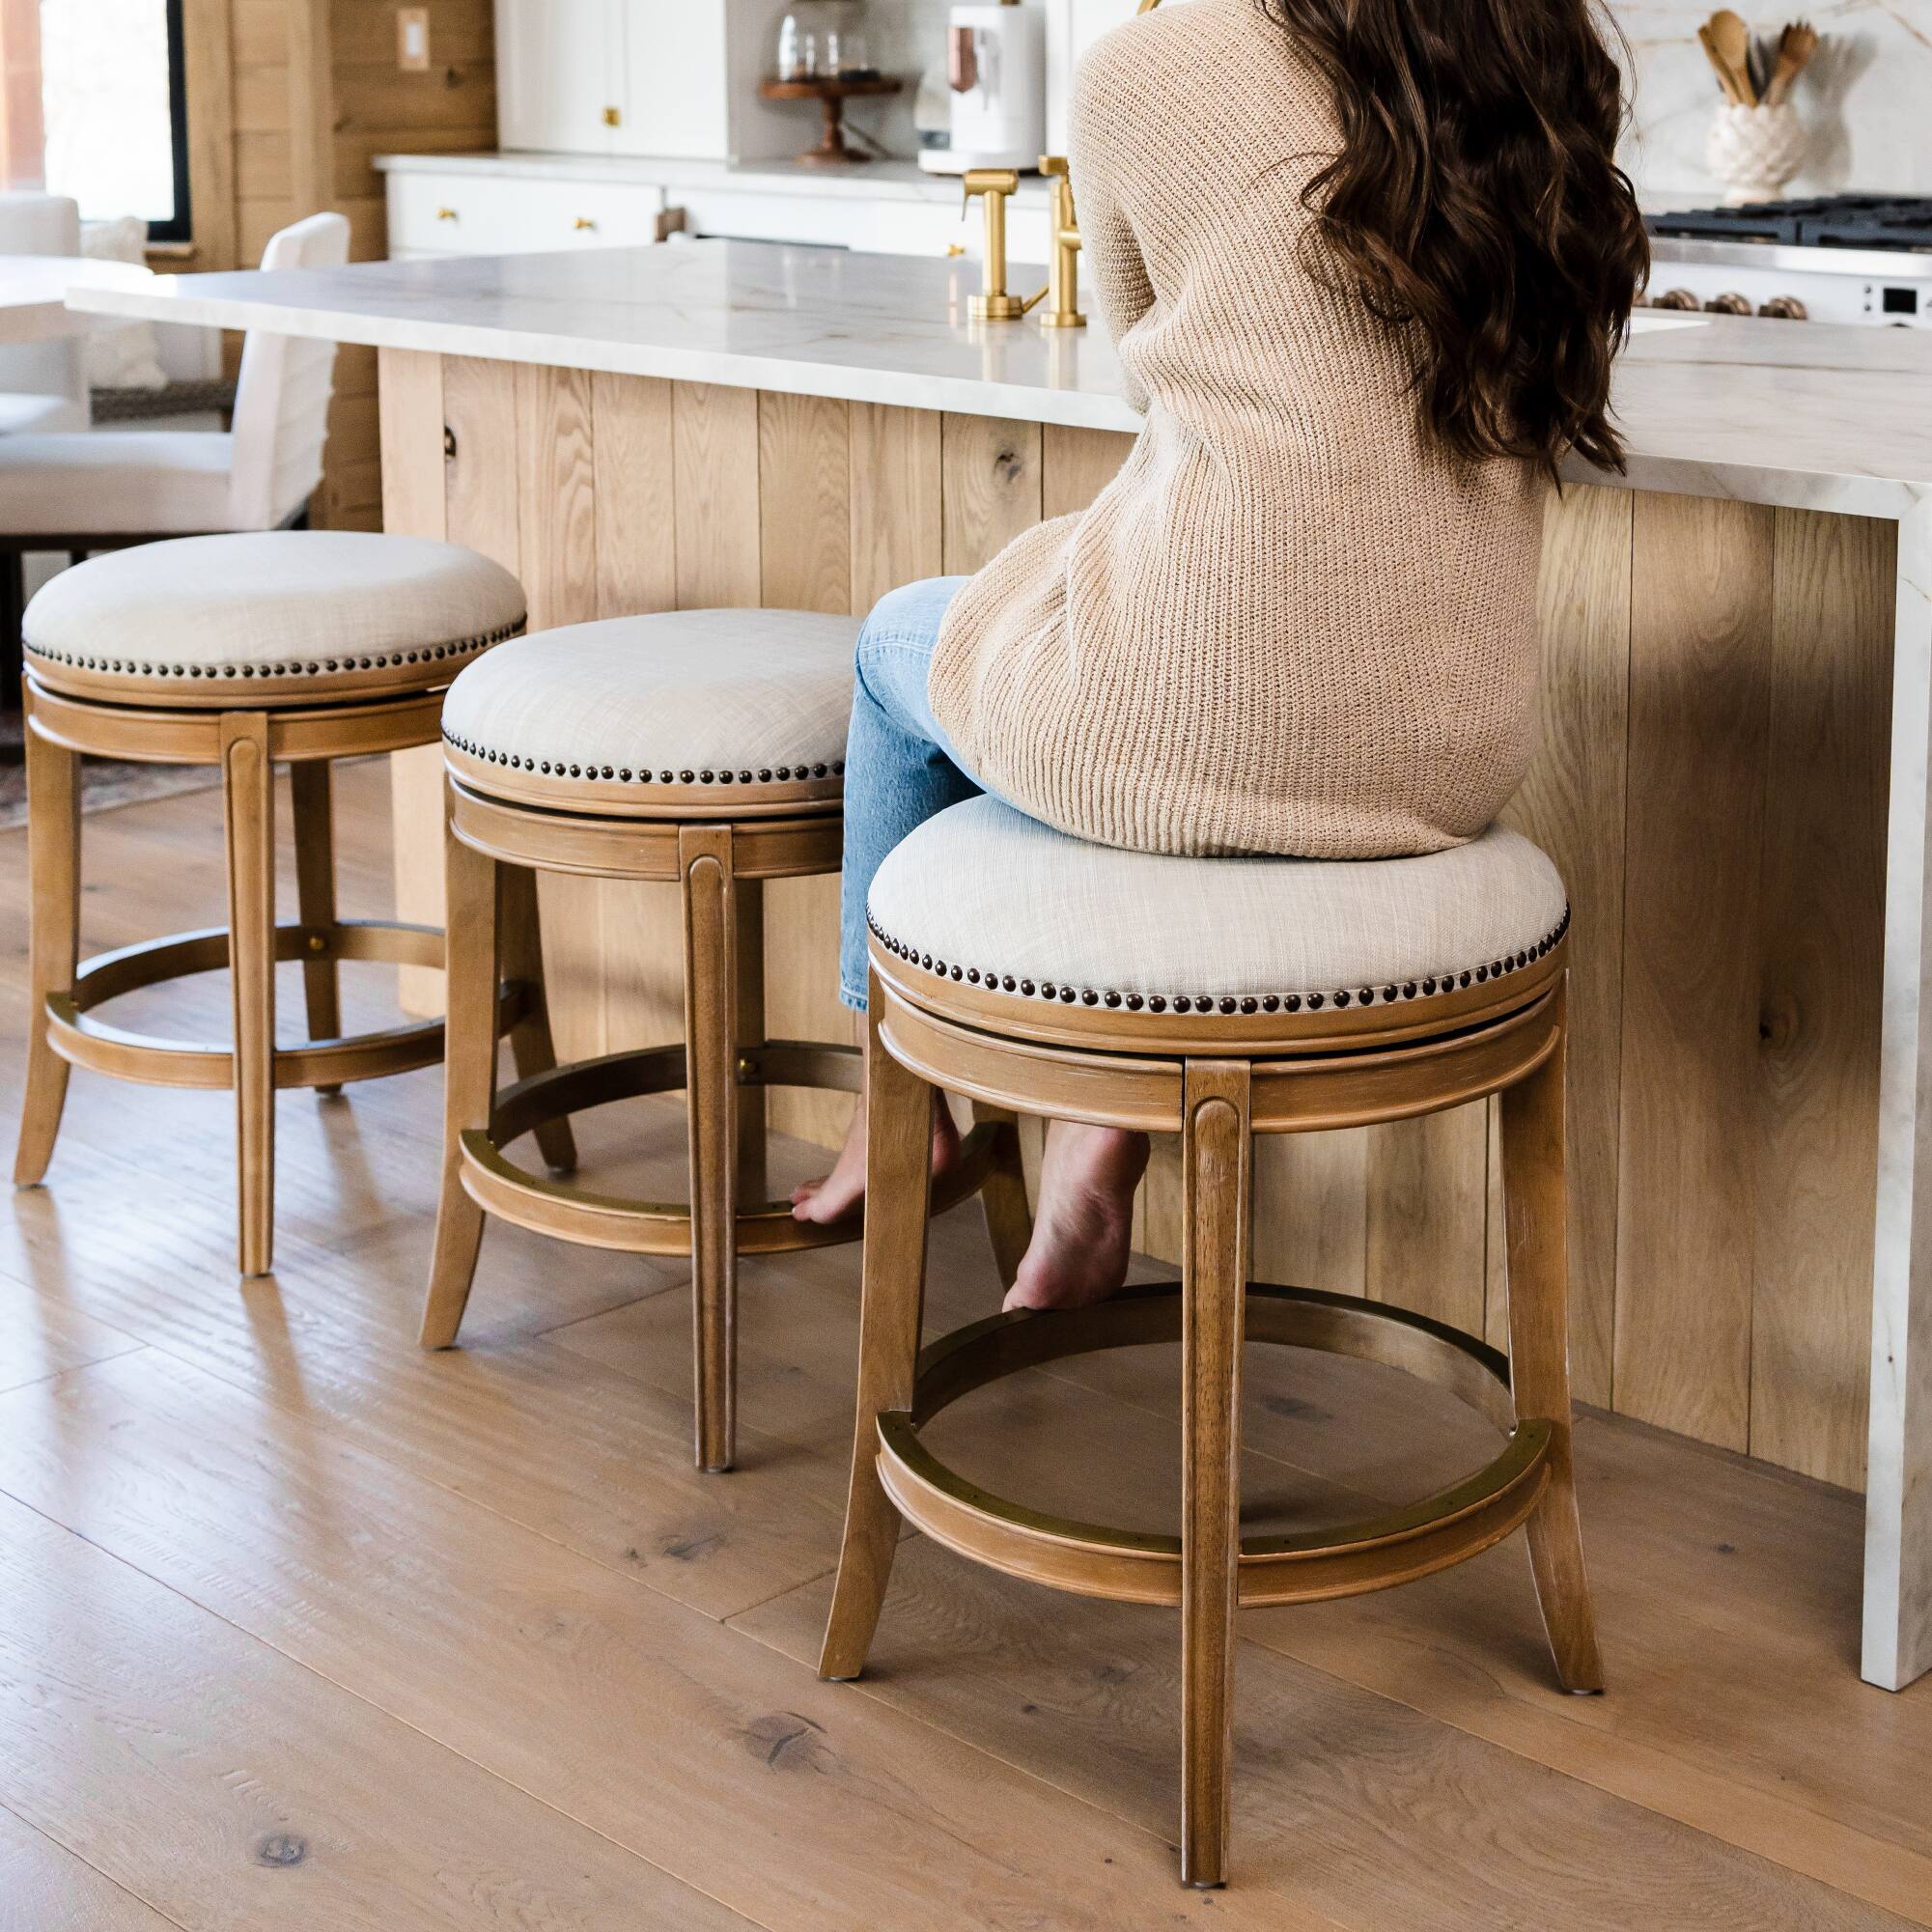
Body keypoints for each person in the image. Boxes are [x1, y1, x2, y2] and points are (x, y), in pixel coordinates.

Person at [792, 0, 1649, 1311]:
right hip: (1450, 750)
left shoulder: (1147, 63)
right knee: (1167, 703)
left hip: (1183, 715)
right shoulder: (1527, 54)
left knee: (902, 643)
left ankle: (900, 1108)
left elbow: (1152, 369)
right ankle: (1098, 1139)